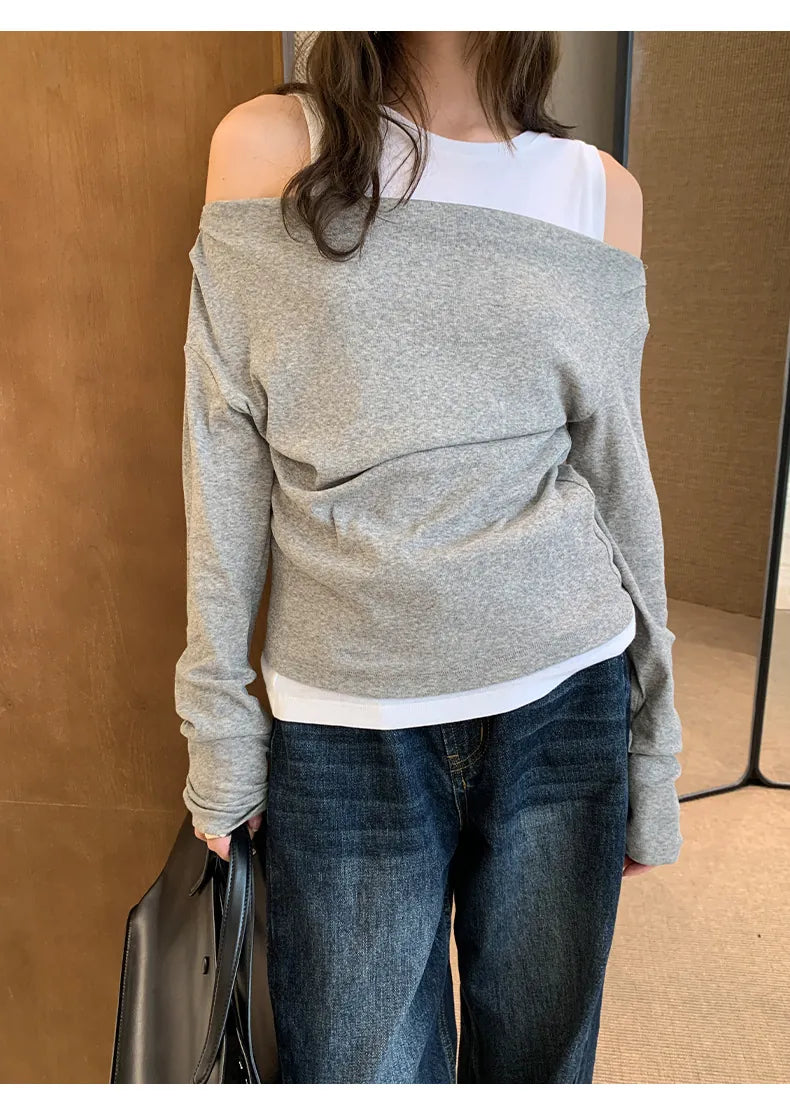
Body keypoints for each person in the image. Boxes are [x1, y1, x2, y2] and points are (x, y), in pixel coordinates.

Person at [174, 31, 684, 1083]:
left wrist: (653, 740)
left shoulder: (598, 192)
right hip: (343, 721)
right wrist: (217, 719)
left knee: (541, 1069)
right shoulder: (266, 148)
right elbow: (222, 451)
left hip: (566, 693)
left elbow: (617, 476)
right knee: (354, 1074)